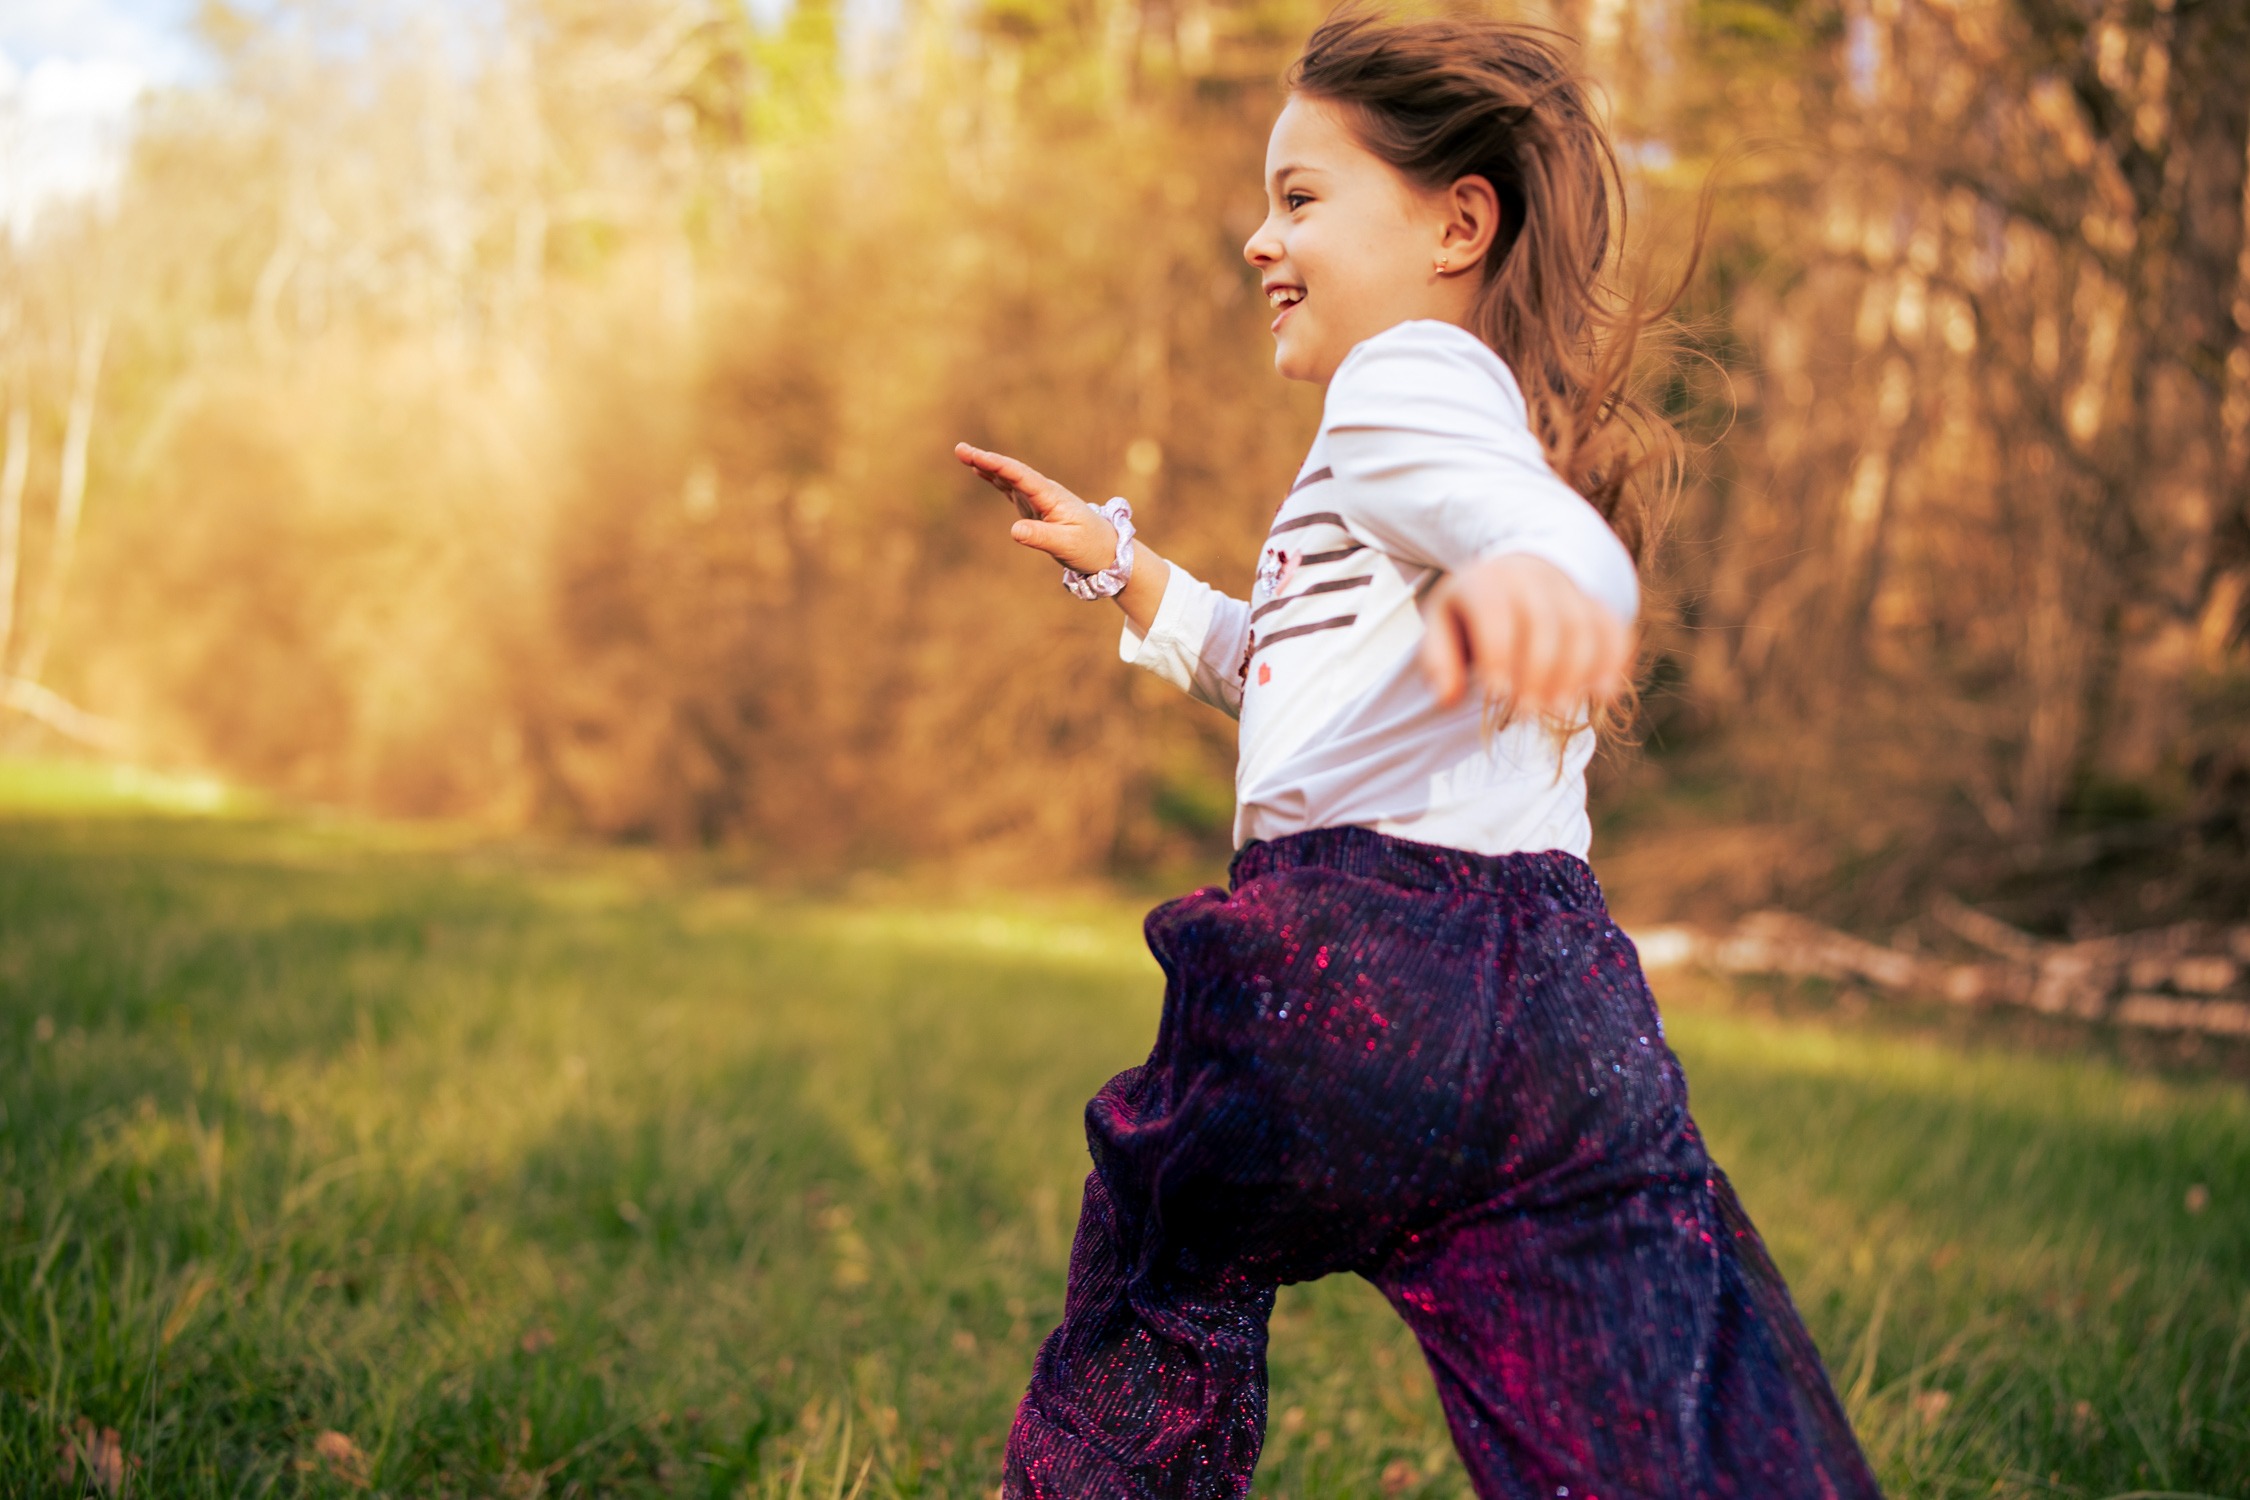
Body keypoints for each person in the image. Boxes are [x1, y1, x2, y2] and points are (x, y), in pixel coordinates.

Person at [954, 12, 1883, 1498]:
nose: (1258, 239)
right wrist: (1126, 571)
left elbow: (1529, 535)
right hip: (1564, 1027)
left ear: (1457, 225)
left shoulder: (1400, 384)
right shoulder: (1447, 433)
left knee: (1161, 1252)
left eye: (1300, 197)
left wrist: (1549, 576)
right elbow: (1285, 673)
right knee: (1656, 1390)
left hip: (1351, 974)